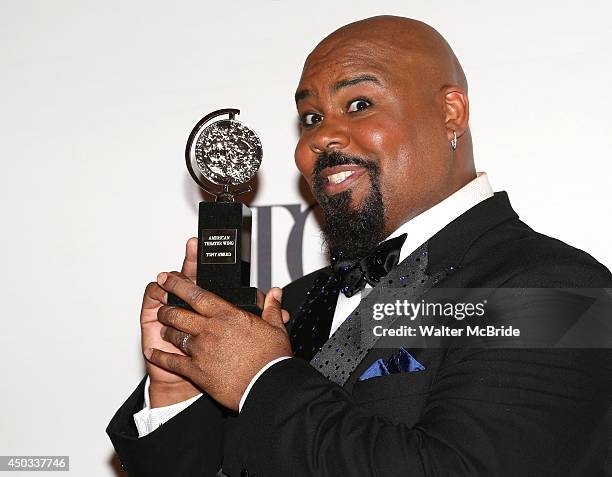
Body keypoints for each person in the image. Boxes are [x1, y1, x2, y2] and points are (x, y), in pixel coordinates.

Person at [107, 16, 612, 476]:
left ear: (451, 111)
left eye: (359, 105)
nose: (323, 137)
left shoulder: (560, 290)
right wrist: (179, 392)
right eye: (310, 118)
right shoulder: (295, 304)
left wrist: (261, 378)